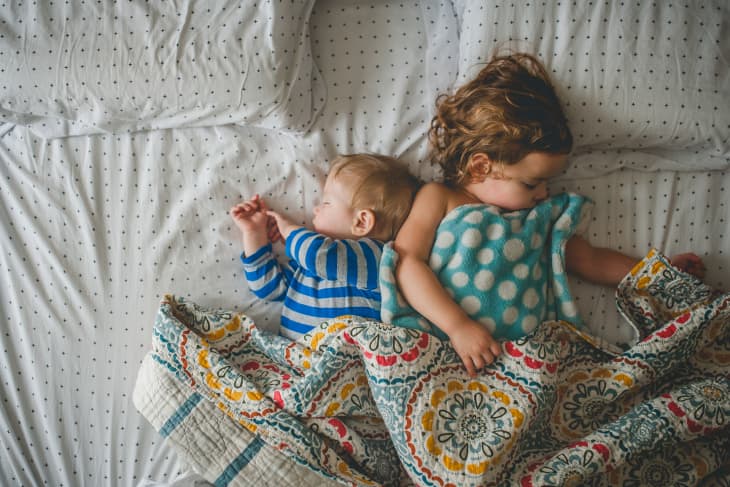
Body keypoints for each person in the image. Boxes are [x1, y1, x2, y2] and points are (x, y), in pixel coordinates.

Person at [379, 52, 706, 377]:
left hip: (529, 364)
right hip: (448, 351)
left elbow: (590, 260)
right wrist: (458, 326)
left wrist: (659, 275)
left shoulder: (540, 219)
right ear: (481, 166)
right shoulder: (439, 198)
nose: (543, 192)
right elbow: (407, 264)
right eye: (531, 183)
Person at [230, 153, 421, 340]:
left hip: (348, 364)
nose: (316, 209)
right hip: (297, 362)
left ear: (362, 222)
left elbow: (318, 254)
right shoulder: (307, 264)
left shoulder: (376, 257)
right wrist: (254, 234)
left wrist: (289, 230)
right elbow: (269, 289)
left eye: (327, 203)